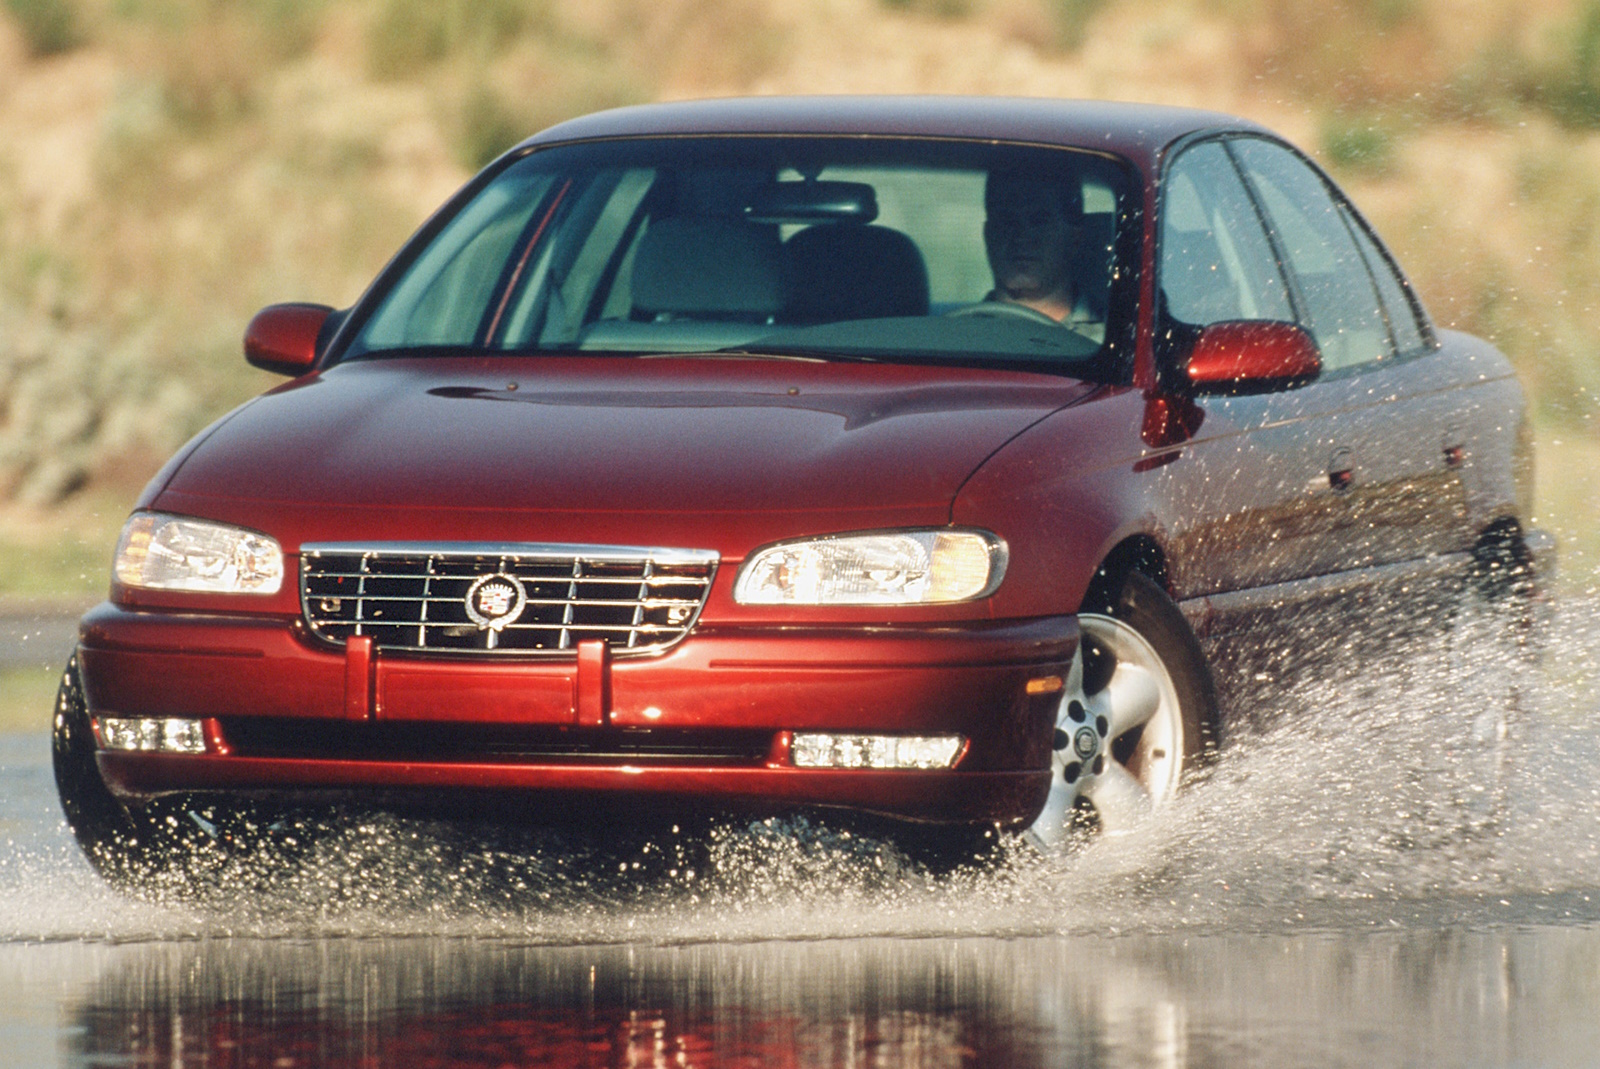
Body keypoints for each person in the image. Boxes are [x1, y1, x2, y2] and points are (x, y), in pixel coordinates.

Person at [982, 171, 1103, 338]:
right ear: (988, 235)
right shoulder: (956, 338)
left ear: (1074, 239)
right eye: (1007, 220)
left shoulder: (1113, 338)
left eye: (1039, 220)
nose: (1021, 236)